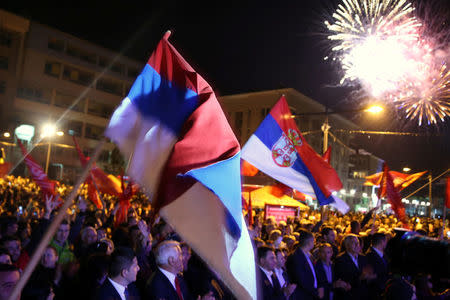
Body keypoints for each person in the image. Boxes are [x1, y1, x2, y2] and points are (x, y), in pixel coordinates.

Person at [334, 234, 375, 300]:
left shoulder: (363, 257)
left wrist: (370, 276)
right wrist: (360, 278)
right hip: (350, 295)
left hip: (363, 294)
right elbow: (343, 279)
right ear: (347, 245)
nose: (357, 245)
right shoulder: (340, 259)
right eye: (354, 243)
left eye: (358, 243)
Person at [286, 229, 320, 300]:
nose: (314, 243)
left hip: (310, 294)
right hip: (303, 296)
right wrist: (315, 292)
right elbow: (301, 280)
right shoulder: (296, 257)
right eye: (313, 241)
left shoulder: (307, 255)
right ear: (309, 242)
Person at [366, 233, 389, 300]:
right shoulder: (370, 255)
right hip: (375, 292)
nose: (386, 243)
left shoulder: (382, 254)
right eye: (386, 241)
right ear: (382, 242)